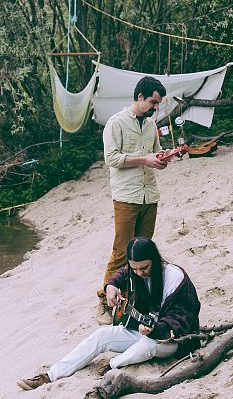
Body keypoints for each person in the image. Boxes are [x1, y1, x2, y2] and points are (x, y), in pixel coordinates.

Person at [17, 237, 201, 391]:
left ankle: (112, 364)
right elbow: (121, 275)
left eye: (144, 268)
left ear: (154, 259)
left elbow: (179, 321)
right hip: (146, 331)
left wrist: (154, 329)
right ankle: (50, 375)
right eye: (135, 269)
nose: (139, 273)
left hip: (173, 340)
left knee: (148, 345)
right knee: (102, 335)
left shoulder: (175, 279)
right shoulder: (135, 270)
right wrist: (110, 286)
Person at [96, 76, 168, 325]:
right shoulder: (115, 123)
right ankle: (104, 301)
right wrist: (144, 159)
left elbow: (155, 152)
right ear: (140, 97)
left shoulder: (150, 124)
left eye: (157, 104)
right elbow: (112, 159)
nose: (155, 108)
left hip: (150, 195)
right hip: (126, 196)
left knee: (144, 251)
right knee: (121, 251)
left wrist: (162, 158)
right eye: (153, 102)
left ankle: (135, 300)